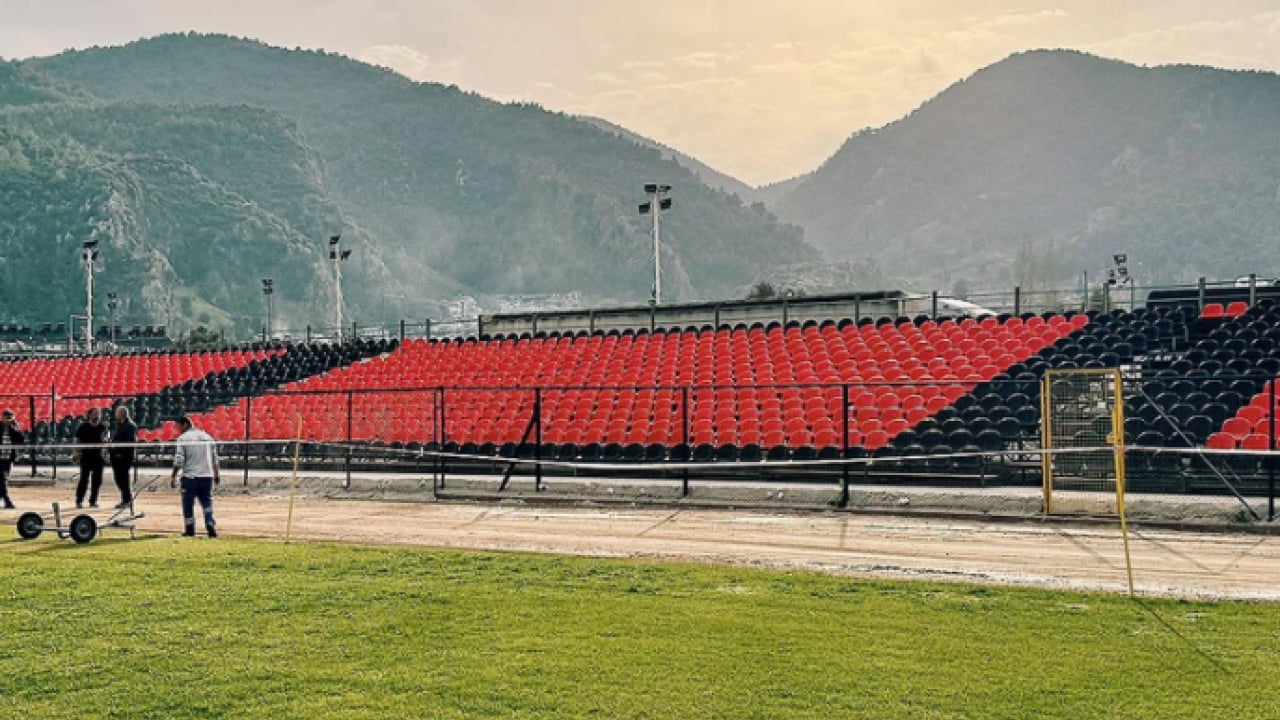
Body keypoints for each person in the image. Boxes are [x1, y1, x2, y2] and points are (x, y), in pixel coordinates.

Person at [170, 416, 220, 538]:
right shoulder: (207, 437)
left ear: (185, 424)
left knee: (188, 504)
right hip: (206, 476)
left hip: (190, 477)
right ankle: (209, 523)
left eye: (178, 426)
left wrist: (173, 475)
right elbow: (215, 458)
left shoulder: (183, 439)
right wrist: (216, 474)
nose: (178, 430)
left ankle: (190, 529)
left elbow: (179, 459)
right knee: (207, 502)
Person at [73, 407, 109, 509]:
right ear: (89, 415)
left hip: (98, 457)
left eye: (98, 414)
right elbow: (77, 441)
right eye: (94, 414)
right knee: (84, 479)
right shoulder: (83, 427)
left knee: (97, 480)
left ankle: (93, 501)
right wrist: (76, 452)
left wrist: (106, 443)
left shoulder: (103, 427)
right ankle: (79, 500)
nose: (97, 416)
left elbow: (106, 439)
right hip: (85, 456)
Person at [109, 406, 138, 509]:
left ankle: (127, 500)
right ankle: (126, 499)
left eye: (117, 413)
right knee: (119, 478)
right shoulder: (120, 425)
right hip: (116, 457)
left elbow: (130, 442)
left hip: (124, 457)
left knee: (123, 479)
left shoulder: (130, 426)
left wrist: (120, 452)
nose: (115, 415)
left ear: (122, 414)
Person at [0, 409, 24, 509]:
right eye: (7, 418)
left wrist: (14, 427)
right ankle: (7, 500)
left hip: (8, 458)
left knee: (3, 479)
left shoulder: (14, 428)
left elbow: (21, 439)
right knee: (2, 479)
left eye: (11, 418)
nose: (8, 420)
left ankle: (3, 496)